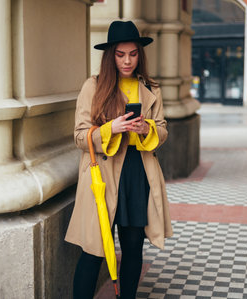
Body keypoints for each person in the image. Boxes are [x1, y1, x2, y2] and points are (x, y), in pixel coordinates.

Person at [65, 20, 173, 299]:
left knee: (134, 245)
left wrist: (145, 128)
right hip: (103, 176)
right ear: (110, 55)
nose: (127, 60)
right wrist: (110, 129)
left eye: (133, 54)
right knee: (93, 251)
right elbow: (79, 136)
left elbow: (162, 130)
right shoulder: (93, 86)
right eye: (120, 54)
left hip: (138, 172)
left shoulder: (150, 87)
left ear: (140, 54)